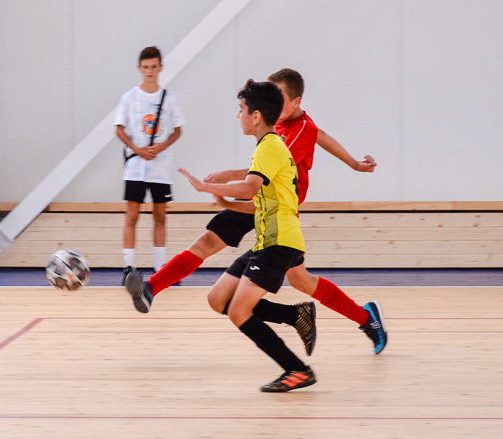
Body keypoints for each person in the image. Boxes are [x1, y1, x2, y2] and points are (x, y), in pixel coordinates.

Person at [126, 68, 387, 356]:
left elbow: (262, 173)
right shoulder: (283, 125)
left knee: (300, 280)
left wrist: (226, 177)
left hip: (276, 209)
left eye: (278, 96)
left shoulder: (299, 129)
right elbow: (320, 136)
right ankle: (151, 287)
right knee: (208, 242)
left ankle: (364, 318)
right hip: (261, 200)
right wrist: (352, 162)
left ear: (296, 102)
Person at [180, 79, 313, 391]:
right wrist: (227, 203)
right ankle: (295, 315)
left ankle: (297, 369)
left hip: (280, 243)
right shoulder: (266, 148)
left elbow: (250, 188)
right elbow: (262, 205)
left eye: (240, 110)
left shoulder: (270, 146)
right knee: (218, 299)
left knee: (239, 311)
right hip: (267, 240)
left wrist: (207, 186)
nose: (238, 115)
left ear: (255, 116)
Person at [114, 46, 185, 282]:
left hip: (160, 168)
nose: (150, 71)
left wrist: (162, 147)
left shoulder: (169, 98)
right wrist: (136, 149)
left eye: (154, 67)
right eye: (146, 67)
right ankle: (128, 267)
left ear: (161, 68)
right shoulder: (129, 97)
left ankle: (160, 267)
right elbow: (119, 128)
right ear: (139, 69)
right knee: (131, 216)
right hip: (135, 167)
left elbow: (177, 130)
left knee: (160, 216)